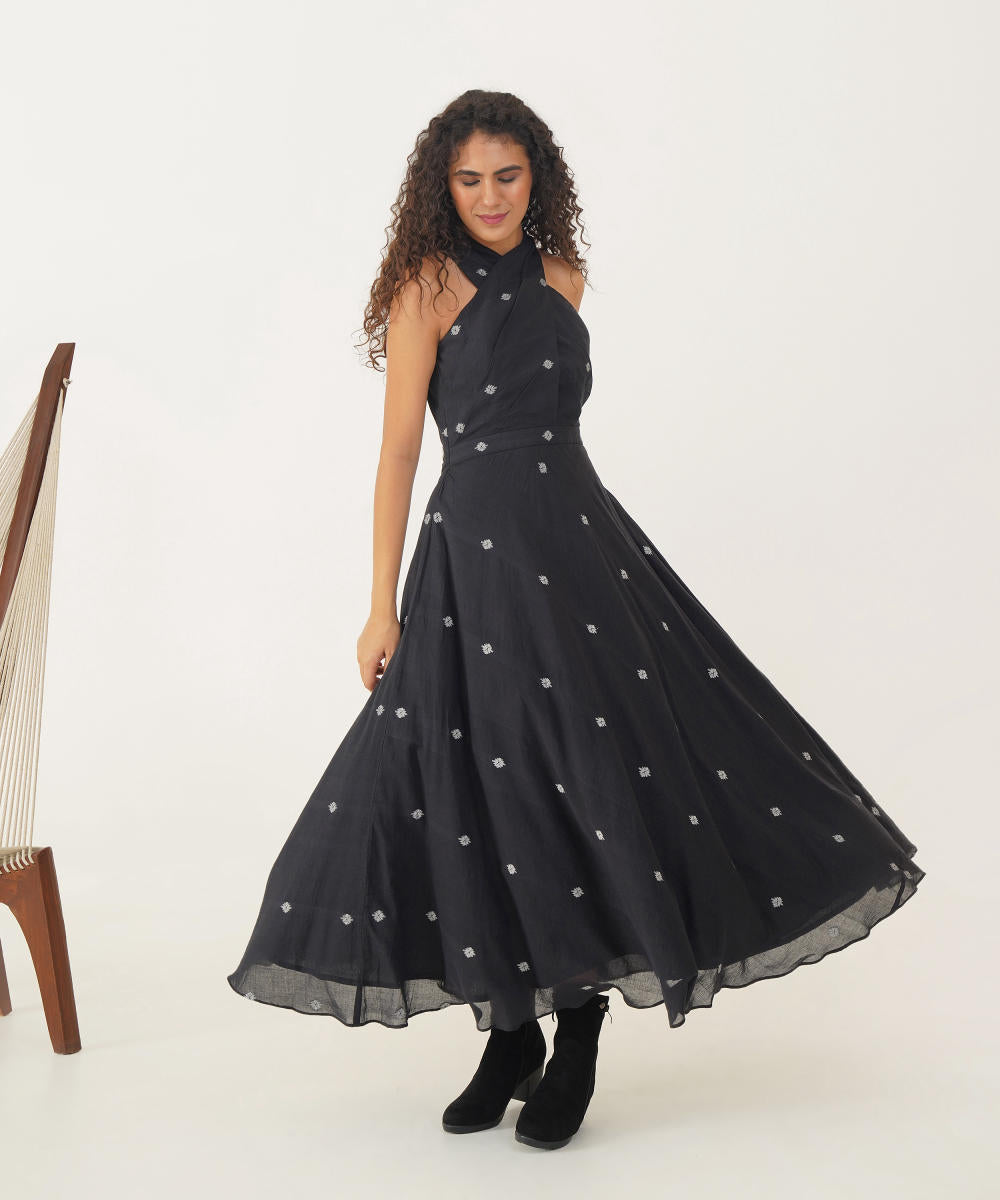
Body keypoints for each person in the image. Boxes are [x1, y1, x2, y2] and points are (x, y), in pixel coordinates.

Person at [227, 89, 925, 1151]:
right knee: (474, 781)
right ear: (442, 188)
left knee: (581, 776)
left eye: (508, 176)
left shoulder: (563, 279)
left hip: (578, 551)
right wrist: (378, 604)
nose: (490, 196)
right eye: (470, 179)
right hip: (472, 562)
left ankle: (581, 1028)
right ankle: (511, 1032)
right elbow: (401, 452)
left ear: (536, 178)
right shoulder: (424, 288)